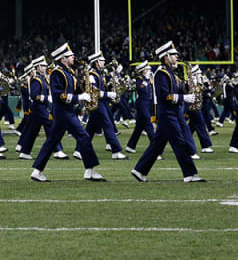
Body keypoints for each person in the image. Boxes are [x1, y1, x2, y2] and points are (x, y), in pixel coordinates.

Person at [130, 41, 204, 183]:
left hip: (172, 113)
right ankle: (190, 174)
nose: (177, 56)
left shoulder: (170, 72)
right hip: (168, 114)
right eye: (174, 54)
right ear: (166, 56)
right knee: (180, 143)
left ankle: (139, 170)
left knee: (157, 145)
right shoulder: (161, 73)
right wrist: (185, 97)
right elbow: (165, 96)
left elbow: (178, 88)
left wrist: (189, 86)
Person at [31, 43, 104, 182]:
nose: (73, 57)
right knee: (84, 136)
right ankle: (90, 170)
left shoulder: (69, 72)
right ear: (63, 58)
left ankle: (37, 170)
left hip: (66, 111)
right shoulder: (57, 73)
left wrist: (85, 91)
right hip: (63, 112)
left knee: (52, 141)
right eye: (71, 56)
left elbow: (73, 89)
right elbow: (59, 95)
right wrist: (79, 97)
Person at [84, 51, 128, 160]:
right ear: (96, 62)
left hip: (101, 103)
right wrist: (109, 94)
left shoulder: (99, 74)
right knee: (108, 125)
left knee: (90, 129)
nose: (104, 63)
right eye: (102, 61)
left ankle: (80, 149)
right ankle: (116, 151)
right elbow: (94, 92)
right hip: (98, 103)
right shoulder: (92, 75)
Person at [125, 61, 155, 153]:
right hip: (142, 104)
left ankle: (131, 146)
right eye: (147, 69)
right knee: (149, 125)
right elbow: (141, 89)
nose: (150, 70)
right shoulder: (140, 78)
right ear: (143, 71)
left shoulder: (149, 79)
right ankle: (156, 148)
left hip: (148, 103)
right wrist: (146, 79)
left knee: (139, 128)